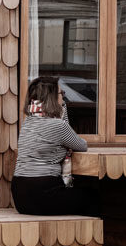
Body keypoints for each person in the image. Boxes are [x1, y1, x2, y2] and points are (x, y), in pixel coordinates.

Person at [11, 76, 102, 216]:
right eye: (62, 94)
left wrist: (61, 109)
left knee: (79, 196)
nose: (63, 97)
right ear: (53, 97)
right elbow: (82, 145)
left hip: (20, 196)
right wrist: (63, 109)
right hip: (43, 194)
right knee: (93, 197)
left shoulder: (28, 122)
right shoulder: (57, 126)